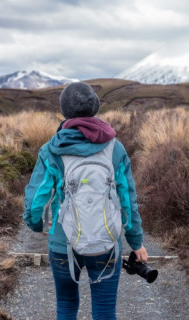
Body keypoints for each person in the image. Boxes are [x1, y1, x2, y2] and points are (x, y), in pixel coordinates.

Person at [24, 82, 148, 320]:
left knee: (67, 305)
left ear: (65, 111)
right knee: (104, 309)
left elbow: (35, 203)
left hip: (63, 243)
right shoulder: (115, 148)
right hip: (107, 243)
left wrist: (37, 226)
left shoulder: (51, 150)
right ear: (94, 107)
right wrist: (136, 241)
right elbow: (127, 200)